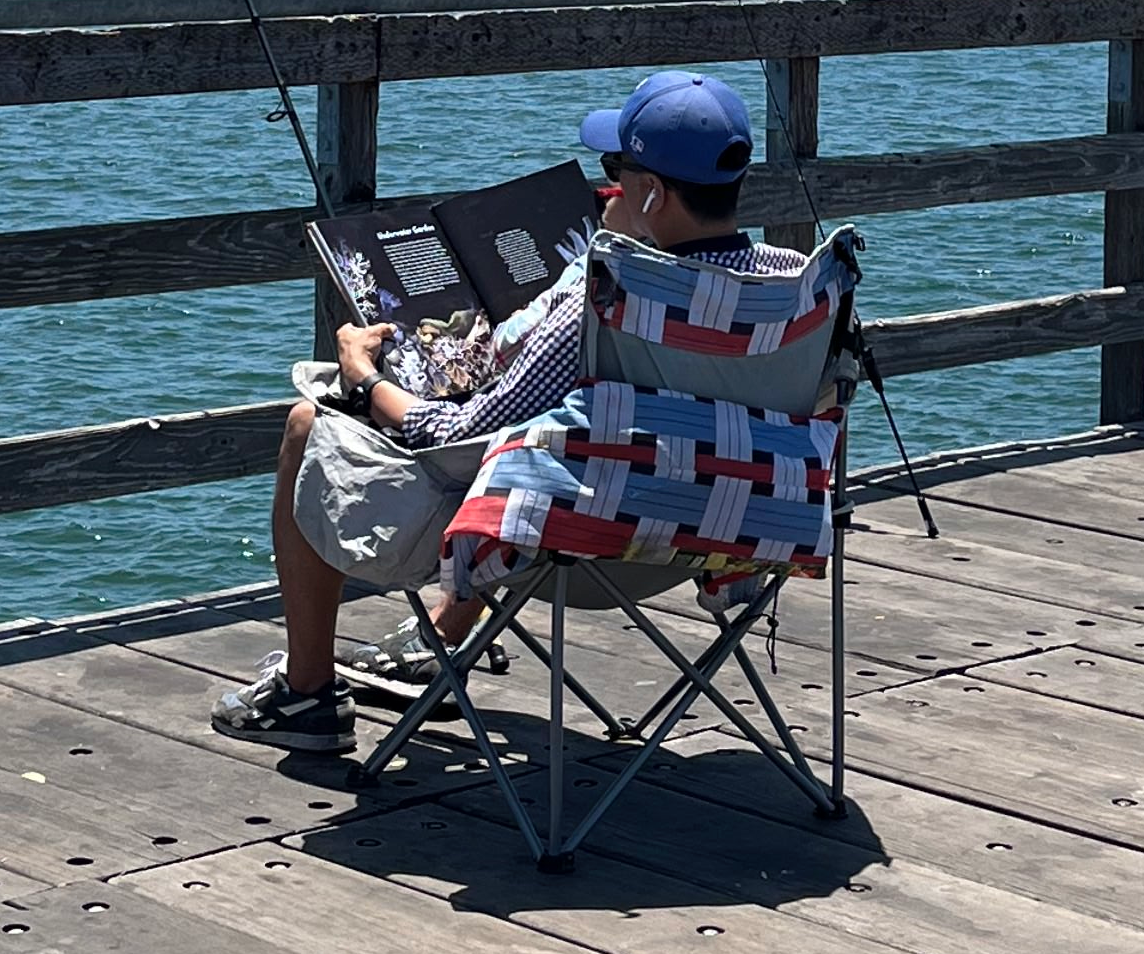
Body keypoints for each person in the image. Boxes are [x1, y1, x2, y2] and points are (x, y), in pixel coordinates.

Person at [210, 70, 810, 752]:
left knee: (307, 424)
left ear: (650, 192)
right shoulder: (794, 285)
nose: (604, 182)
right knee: (544, 437)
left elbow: (465, 433)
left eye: (615, 168)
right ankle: (438, 637)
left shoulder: (604, 305)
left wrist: (367, 376)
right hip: (726, 530)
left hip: (580, 543)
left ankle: (307, 694)